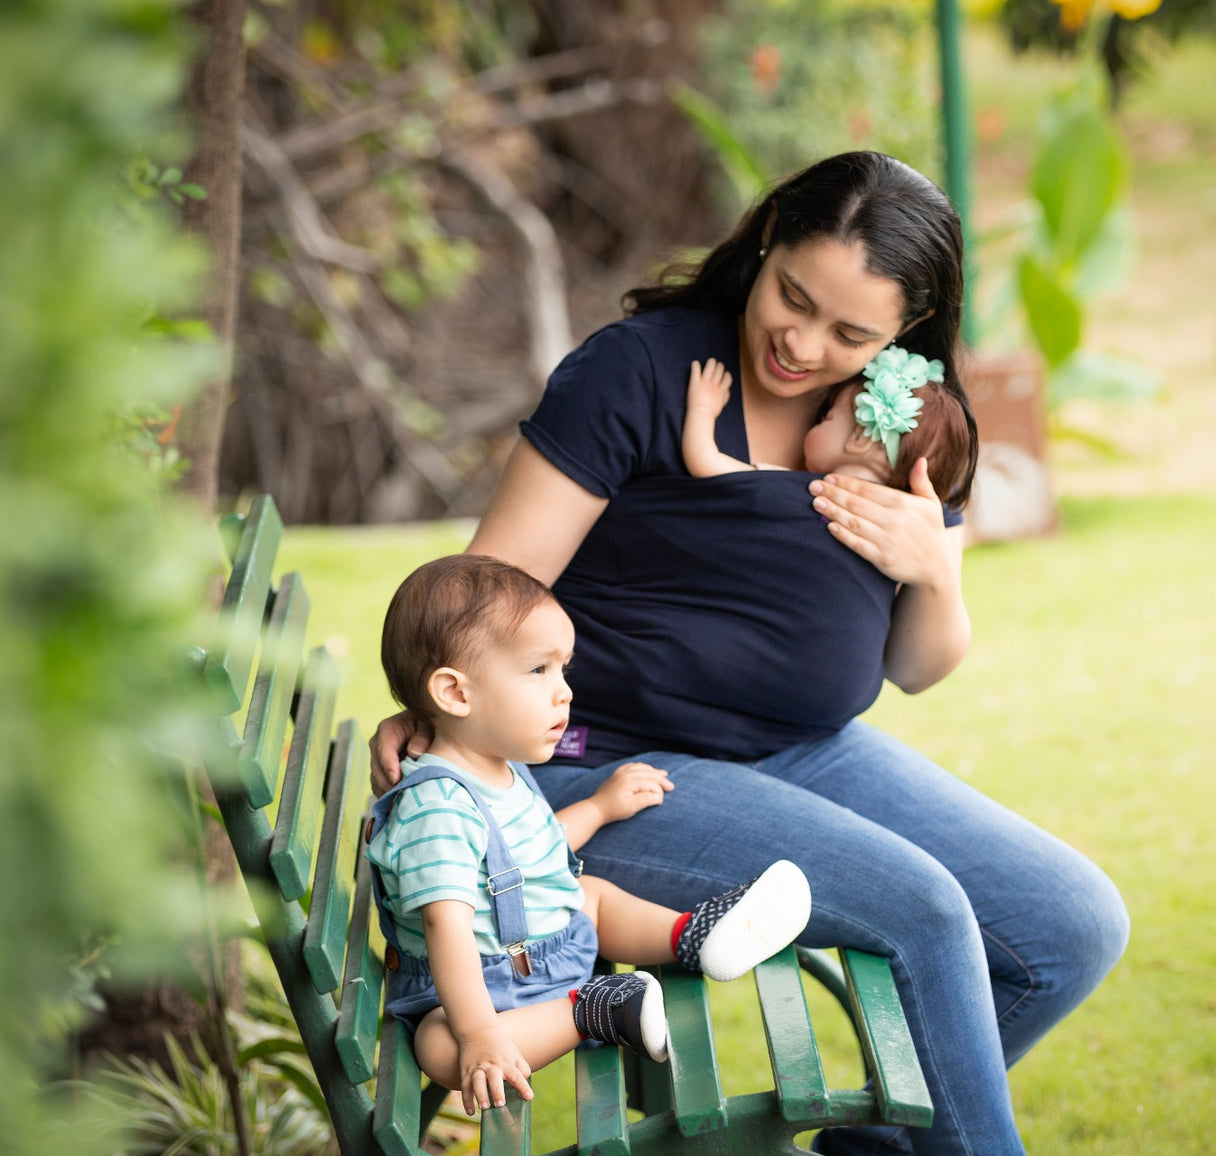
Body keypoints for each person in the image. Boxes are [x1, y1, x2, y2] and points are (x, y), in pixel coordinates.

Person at [370, 151, 1129, 1156]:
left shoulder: (905, 419)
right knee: (924, 910)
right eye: (791, 297)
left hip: (803, 751)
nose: (801, 343)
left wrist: (933, 570)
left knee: (1069, 924)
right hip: (604, 768)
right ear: (764, 238)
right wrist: (431, 705)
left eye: (849, 332)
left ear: (901, 332)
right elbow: (489, 590)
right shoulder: (642, 371)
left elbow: (918, 665)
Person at [367, 553, 812, 1116]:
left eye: (563, 670)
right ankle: (592, 1009)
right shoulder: (436, 808)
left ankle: (692, 935)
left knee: (593, 895)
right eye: (538, 671)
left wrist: (599, 808)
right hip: (477, 990)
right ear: (456, 694)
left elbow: (532, 854)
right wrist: (479, 1032)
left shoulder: (496, 766)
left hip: (542, 942)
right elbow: (444, 926)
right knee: (438, 1045)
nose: (564, 692)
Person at [682, 348, 973, 501]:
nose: (816, 424)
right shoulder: (898, 533)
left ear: (858, 439)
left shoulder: (812, 493)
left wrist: (703, 407)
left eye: (827, 418)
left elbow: (705, 463)